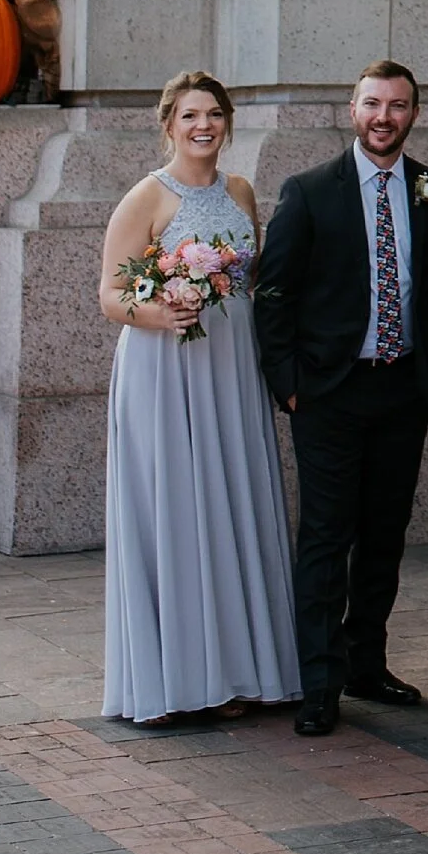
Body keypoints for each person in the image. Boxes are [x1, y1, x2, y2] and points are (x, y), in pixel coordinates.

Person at [255, 60, 428, 737]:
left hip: (402, 389)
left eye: (397, 105)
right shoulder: (310, 192)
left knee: (383, 536)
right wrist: (288, 385)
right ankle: (320, 682)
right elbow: (274, 290)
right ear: (352, 110)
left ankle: (367, 663)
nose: (383, 117)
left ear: (413, 114)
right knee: (325, 535)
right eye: (373, 104)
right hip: (328, 394)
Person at [99, 70, 300, 725]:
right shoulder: (145, 198)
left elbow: (254, 282)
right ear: (169, 125)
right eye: (189, 116)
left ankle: (238, 672)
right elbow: (110, 294)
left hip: (231, 368)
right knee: (175, 509)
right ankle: (171, 682)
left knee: (229, 505)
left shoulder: (241, 192)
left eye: (213, 113)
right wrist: (161, 310)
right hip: (166, 369)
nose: (203, 126)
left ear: (228, 121)